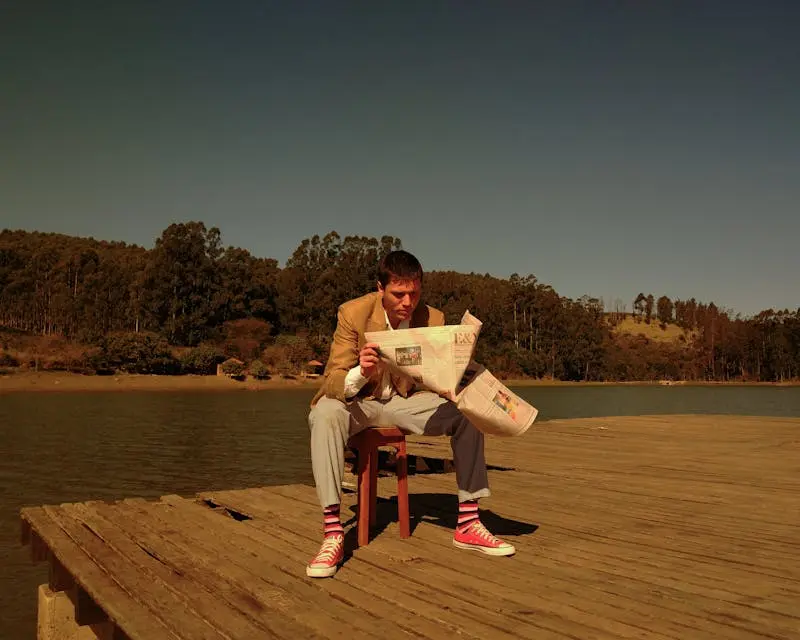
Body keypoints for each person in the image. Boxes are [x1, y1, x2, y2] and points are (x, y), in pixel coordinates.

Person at [306, 250, 515, 578]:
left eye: (414, 294)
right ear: (380, 288)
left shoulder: (433, 318)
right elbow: (333, 379)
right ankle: (332, 533)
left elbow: (432, 376)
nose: (407, 302)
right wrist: (361, 371)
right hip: (358, 401)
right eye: (398, 294)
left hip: (403, 403)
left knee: (467, 412)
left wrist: (455, 379)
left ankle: (469, 522)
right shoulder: (352, 313)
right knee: (324, 414)